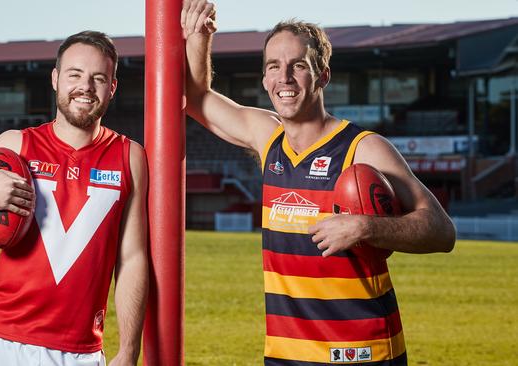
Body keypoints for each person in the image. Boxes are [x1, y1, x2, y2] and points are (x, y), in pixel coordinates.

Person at [181, 1, 456, 365]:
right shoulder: (268, 139)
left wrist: (366, 226)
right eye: (273, 67)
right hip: (286, 353)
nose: (285, 78)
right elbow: (196, 98)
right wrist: (199, 35)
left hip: (362, 351)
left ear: (323, 76)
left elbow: (441, 231)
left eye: (298, 65)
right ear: (264, 80)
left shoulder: (363, 149)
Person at [0, 30, 148, 366]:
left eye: (98, 78)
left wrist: (129, 350)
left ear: (112, 88)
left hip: (81, 353)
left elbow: (132, 257)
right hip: (2, 342)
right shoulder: (15, 145)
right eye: (75, 74)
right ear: (56, 79)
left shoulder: (130, 156)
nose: (85, 87)